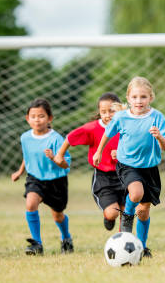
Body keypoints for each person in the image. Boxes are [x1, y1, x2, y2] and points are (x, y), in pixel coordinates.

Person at [93, 76, 165, 258]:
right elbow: (107, 134)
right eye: (135, 97)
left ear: (151, 98)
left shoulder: (157, 117)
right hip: (127, 165)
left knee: (144, 211)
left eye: (143, 97)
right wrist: (99, 152)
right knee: (135, 193)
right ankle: (127, 216)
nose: (139, 101)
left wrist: (159, 136)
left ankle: (142, 247)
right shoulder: (121, 117)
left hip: (150, 168)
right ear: (128, 98)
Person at [49, 92, 125, 231]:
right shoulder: (93, 128)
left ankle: (123, 240)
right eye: (103, 112)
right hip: (104, 177)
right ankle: (108, 217)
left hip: (125, 173)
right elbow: (71, 137)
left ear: (120, 110)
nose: (107, 115)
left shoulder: (127, 126)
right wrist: (60, 154)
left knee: (126, 212)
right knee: (113, 212)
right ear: (99, 112)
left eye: (112, 111)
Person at [11, 99, 73, 255]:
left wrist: (54, 158)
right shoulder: (25, 137)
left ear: (50, 118)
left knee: (58, 215)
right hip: (35, 178)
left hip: (56, 181)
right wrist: (20, 171)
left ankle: (66, 238)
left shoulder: (57, 139)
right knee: (30, 204)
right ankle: (37, 244)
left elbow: (66, 164)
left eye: (41, 116)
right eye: (33, 116)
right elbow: (28, 156)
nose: (37, 120)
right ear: (27, 119)